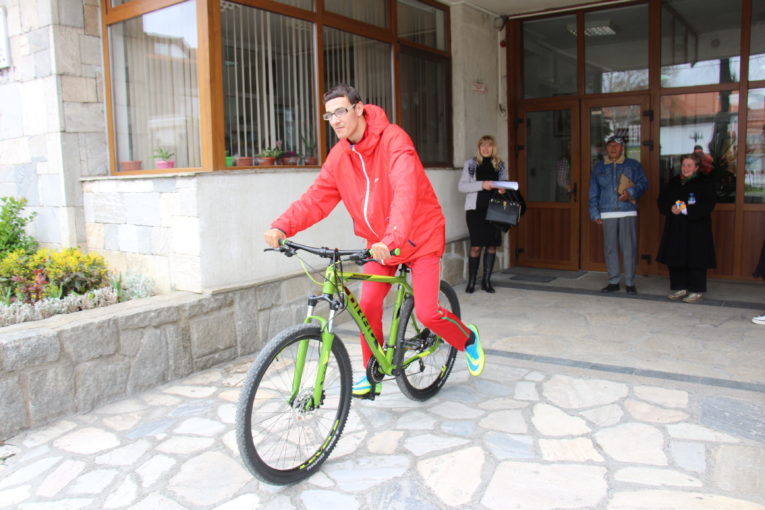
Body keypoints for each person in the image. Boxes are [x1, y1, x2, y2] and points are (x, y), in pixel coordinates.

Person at [263, 84, 485, 398]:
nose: (335, 120)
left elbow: (405, 191)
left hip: (418, 236)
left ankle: (468, 339)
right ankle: (373, 371)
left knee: (427, 313)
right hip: (380, 243)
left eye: (341, 111)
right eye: (329, 115)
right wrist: (282, 226)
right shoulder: (340, 155)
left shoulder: (394, 140)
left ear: (359, 108)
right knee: (367, 304)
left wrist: (393, 236)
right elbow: (317, 198)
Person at [588, 135, 648, 294]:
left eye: (617, 145)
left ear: (622, 148)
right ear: (606, 148)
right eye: (610, 145)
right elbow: (593, 191)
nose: (613, 148)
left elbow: (643, 184)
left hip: (627, 211)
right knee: (610, 248)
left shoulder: (633, 165)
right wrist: (595, 213)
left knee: (629, 248)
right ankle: (613, 281)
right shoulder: (599, 168)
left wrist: (630, 192)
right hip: (607, 212)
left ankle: (629, 282)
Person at [656, 153, 716, 303]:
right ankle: (679, 287)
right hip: (676, 226)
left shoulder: (704, 182)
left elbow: (709, 204)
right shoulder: (674, 182)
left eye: (689, 165)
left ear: (696, 167)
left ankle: (696, 290)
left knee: (696, 258)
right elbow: (662, 199)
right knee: (676, 256)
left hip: (697, 227)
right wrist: (670, 208)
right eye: (683, 165)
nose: (685, 168)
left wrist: (688, 211)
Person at [458, 135, 508, 294]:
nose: (486, 149)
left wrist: (503, 189)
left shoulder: (500, 165)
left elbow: (504, 183)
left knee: (492, 245)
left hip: (495, 211)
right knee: (476, 246)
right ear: (479, 148)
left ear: (494, 148)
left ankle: (486, 281)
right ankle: (472, 281)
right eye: (483, 146)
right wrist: (482, 185)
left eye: (489, 146)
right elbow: (462, 187)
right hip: (475, 212)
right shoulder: (471, 164)